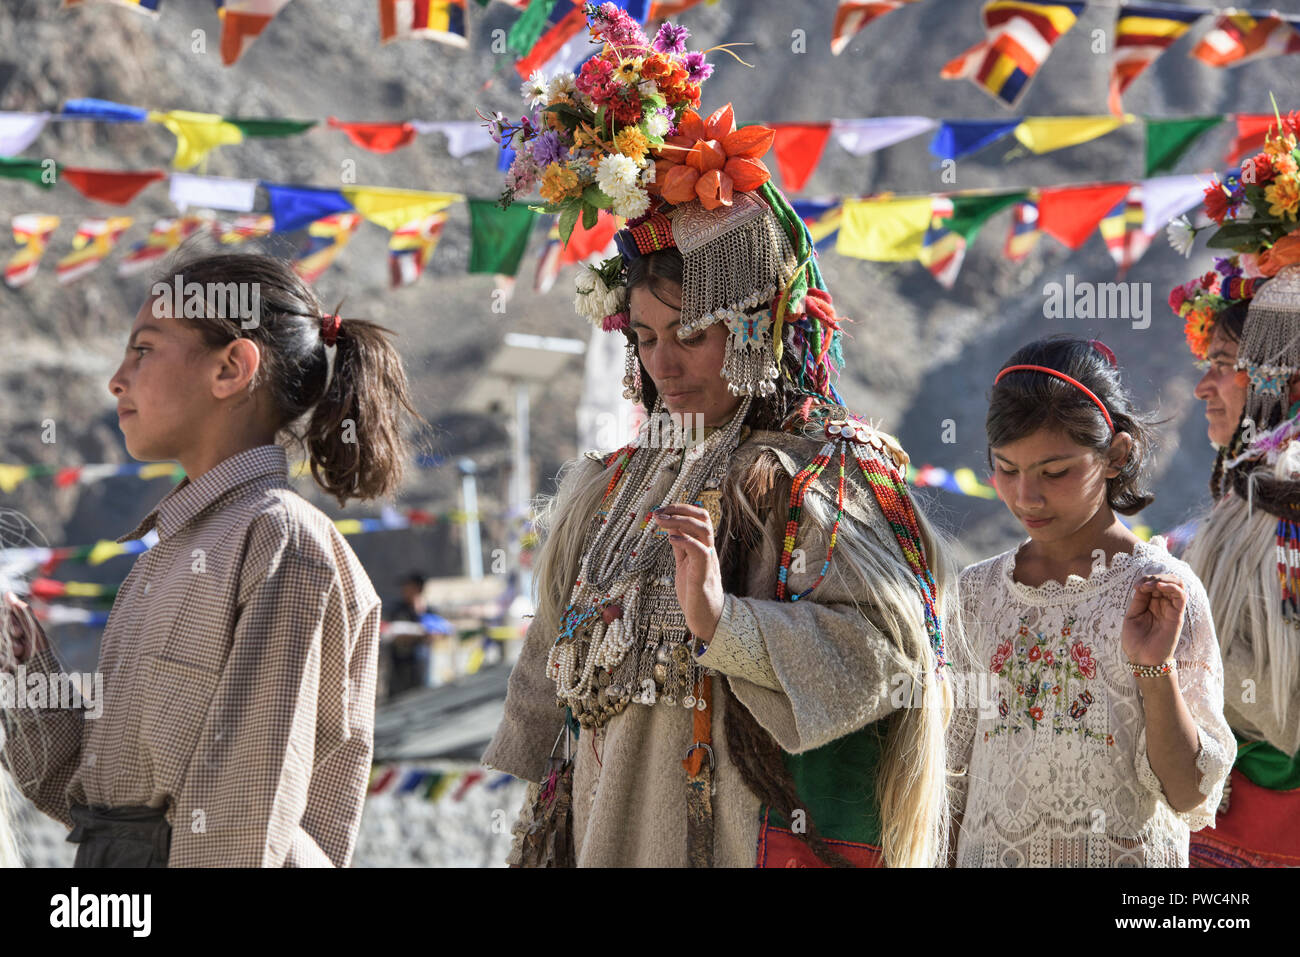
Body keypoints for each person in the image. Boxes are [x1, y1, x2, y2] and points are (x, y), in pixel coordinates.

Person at [481, 10, 961, 868]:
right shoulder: (610, 487)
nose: (663, 362)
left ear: (753, 327)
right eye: (645, 336)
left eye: (689, 334)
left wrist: (725, 622)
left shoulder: (827, 478)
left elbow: (891, 657)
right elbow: (552, 688)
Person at [0, 249, 420, 867]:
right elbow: (86, 792)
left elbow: (244, 817)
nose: (117, 379)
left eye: (143, 349)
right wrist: (21, 654)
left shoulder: (280, 542)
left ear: (230, 368)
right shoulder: (163, 556)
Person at [948, 336, 1233, 867]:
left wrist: (1155, 669)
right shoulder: (976, 594)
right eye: (1007, 469)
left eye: (1054, 472)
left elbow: (1189, 793)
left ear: (1115, 456)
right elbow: (950, 778)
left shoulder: (1162, 594)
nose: (1025, 496)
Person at [1174, 110, 1300, 866]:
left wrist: (1173, 660)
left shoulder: (1283, 509)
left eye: (1226, 359)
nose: (1205, 386)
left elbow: (1286, 713)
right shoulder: (1249, 500)